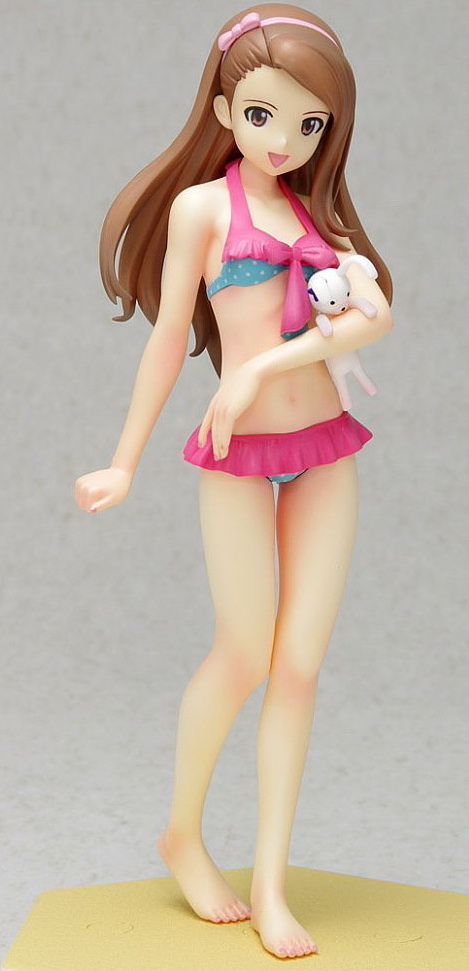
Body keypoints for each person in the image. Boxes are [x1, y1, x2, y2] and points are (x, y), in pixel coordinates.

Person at [75, 5, 393, 959]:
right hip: (236, 456)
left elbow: (374, 312)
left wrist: (261, 368)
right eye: (262, 115)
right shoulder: (203, 211)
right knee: (243, 653)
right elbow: (169, 336)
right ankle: (181, 833)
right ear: (222, 109)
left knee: (299, 667)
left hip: (325, 447)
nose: (284, 139)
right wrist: (125, 457)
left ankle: (269, 879)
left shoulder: (319, 216)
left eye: (309, 123)